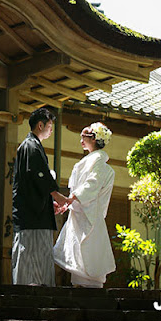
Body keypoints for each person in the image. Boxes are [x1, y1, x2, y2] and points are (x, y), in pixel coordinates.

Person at [53, 122, 116, 288]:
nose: (81, 139)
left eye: (84, 136)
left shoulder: (101, 166)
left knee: (88, 252)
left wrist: (70, 199)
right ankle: (79, 285)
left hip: (91, 215)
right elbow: (81, 188)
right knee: (78, 254)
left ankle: (90, 287)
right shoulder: (88, 162)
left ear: (94, 139)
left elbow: (91, 185)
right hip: (80, 212)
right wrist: (68, 203)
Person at [12, 107, 70, 286]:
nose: (51, 130)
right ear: (40, 125)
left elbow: (34, 181)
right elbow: (39, 175)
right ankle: (32, 290)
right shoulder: (30, 146)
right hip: (32, 215)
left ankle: (35, 289)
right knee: (32, 252)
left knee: (33, 252)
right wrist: (57, 196)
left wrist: (48, 201)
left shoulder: (31, 146)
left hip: (33, 211)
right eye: (50, 126)